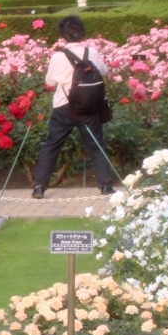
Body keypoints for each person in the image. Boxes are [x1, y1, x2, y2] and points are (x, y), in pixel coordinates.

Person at [31, 15, 113, 198]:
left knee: (52, 145)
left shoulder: (58, 56)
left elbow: (50, 82)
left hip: (64, 106)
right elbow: (103, 72)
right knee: (96, 145)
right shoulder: (92, 52)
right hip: (88, 106)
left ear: (63, 35)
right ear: (82, 32)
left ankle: (39, 187)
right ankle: (106, 185)